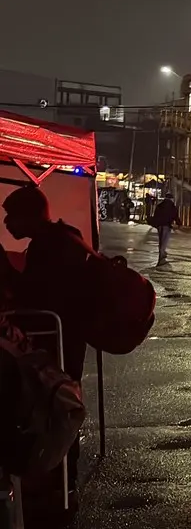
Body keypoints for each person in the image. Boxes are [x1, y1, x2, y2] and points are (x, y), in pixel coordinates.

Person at [0, 184, 95, 497]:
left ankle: (59, 485)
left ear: (30, 216)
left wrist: (4, 267)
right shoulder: (67, 234)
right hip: (71, 336)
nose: (7, 223)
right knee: (63, 404)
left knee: (56, 407)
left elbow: (34, 296)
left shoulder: (48, 245)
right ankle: (62, 481)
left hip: (57, 341)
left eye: (11, 216)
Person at [151, 194, 180, 265]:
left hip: (159, 226)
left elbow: (155, 215)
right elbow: (175, 216)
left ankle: (162, 254)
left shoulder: (159, 205)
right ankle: (161, 255)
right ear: (171, 199)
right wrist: (179, 223)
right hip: (167, 225)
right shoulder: (172, 207)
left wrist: (155, 224)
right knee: (164, 242)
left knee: (161, 240)